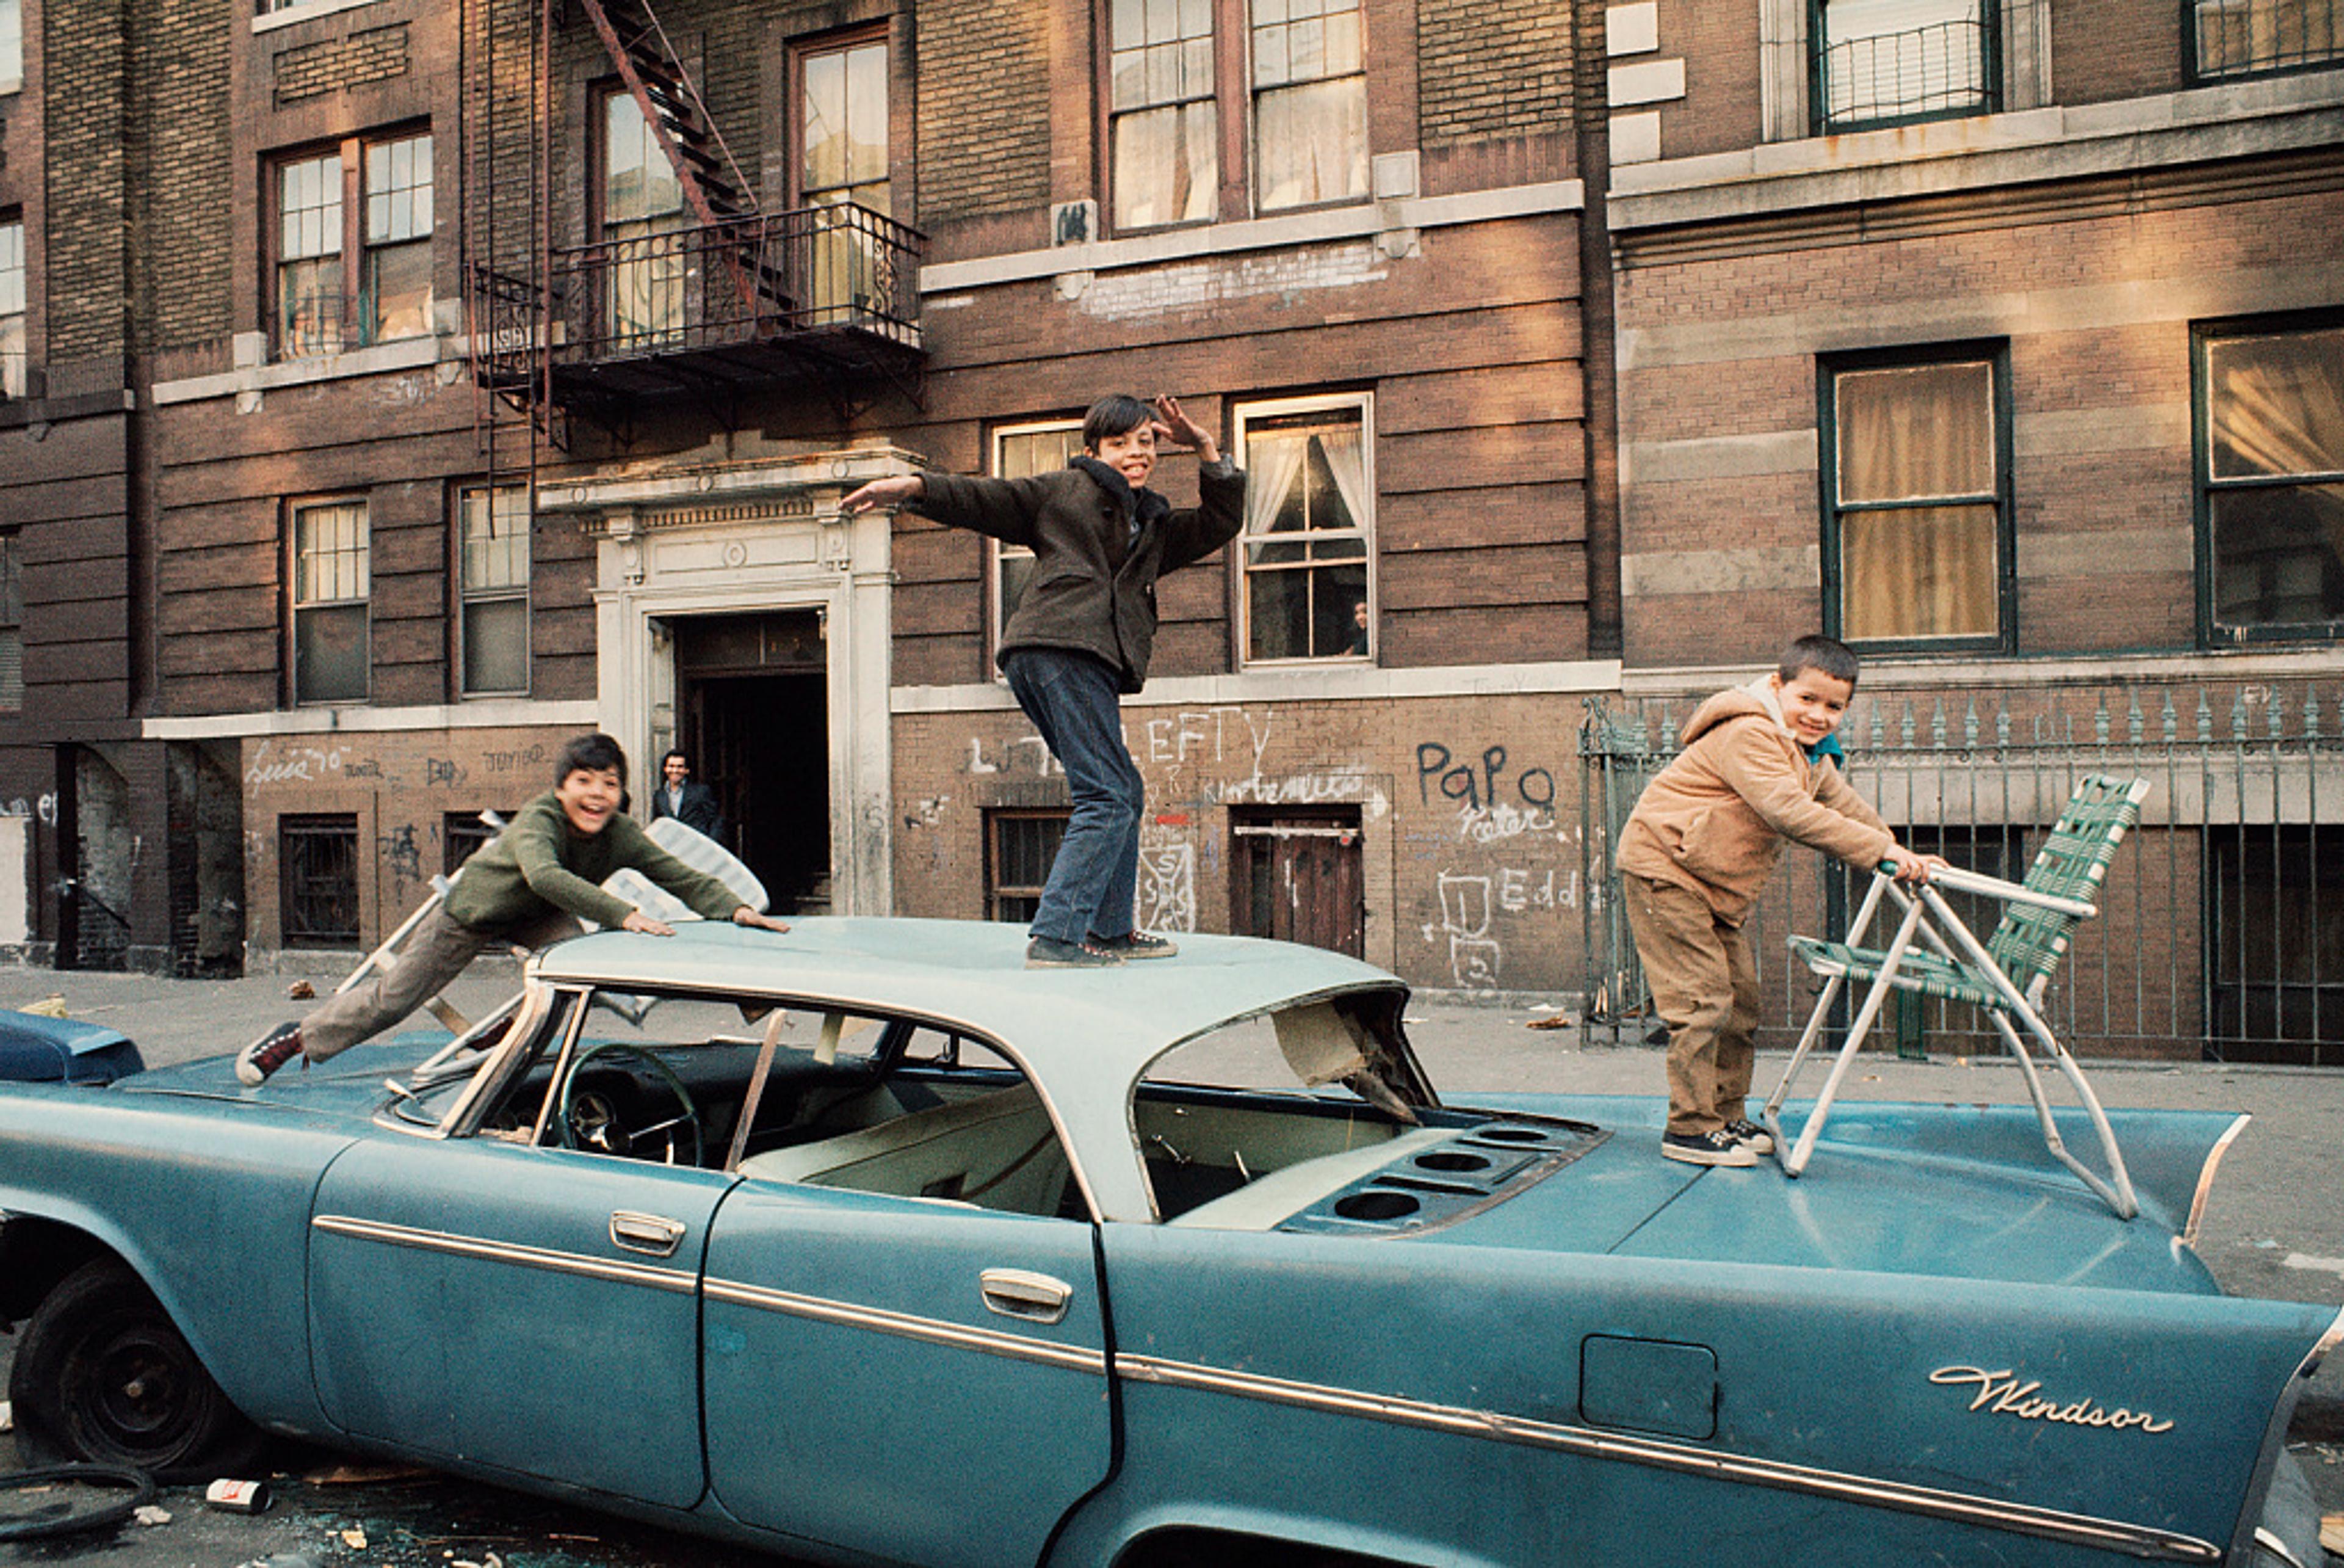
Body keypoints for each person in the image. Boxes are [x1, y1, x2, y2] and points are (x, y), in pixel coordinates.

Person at [841, 393, 1243, 968]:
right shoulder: (1064, 492)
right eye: (1119, 443)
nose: (1135, 454)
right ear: (1093, 450)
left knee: (1122, 790)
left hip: (1083, 657)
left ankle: (1108, 930)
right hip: (1059, 645)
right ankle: (1056, 934)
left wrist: (1206, 449)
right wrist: (913, 488)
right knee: (1105, 793)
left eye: (1145, 443)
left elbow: (1220, 522)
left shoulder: (1150, 525)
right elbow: (988, 498)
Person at [237, 733, 790, 1085]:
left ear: (623, 792)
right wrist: (623, 914)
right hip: (477, 908)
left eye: (610, 785)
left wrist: (735, 909)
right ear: (560, 788)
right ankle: (298, 1036)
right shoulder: (539, 819)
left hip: (541, 911)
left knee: (577, 976)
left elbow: (679, 874)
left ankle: (498, 1042)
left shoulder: (620, 832)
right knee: (396, 998)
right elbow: (544, 874)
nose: (596, 795)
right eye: (583, 783)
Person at [1615, 634, 1947, 1168]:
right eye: (1808, 700)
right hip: (1666, 868)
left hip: (1712, 883)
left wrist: (1902, 853)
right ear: (1778, 686)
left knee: (1741, 1000)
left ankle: (1724, 1115)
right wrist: (1878, 852)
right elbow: (1788, 811)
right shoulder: (1751, 733)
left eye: (1834, 706)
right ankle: (1690, 1127)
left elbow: (1846, 805)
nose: (1819, 715)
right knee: (1701, 1002)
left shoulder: (1810, 753)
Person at [648, 748, 726, 841]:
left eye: (680, 767)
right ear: (665, 769)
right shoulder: (659, 796)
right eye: (671, 766)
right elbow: (656, 824)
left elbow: (716, 820)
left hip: (696, 845)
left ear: (687, 770)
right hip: (671, 846)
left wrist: (711, 841)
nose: (675, 770)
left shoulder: (701, 792)